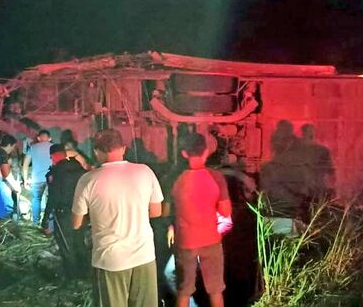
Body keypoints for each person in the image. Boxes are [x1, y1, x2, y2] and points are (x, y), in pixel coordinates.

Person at [72, 129, 163, 307]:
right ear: (123, 148)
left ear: (96, 151)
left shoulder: (88, 180)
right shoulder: (145, 171)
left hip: (110, 260)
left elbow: (76, 223)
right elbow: (156, 212)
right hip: (144, 256)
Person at [169, 133, 232, 307]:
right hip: (211, 240)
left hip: (185, 242)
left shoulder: (175, 178)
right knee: (215, 290)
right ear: (206, 152)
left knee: (183, 291)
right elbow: (225, 212)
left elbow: (166, 210)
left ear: (184, 153)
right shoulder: (216, 177)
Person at [41, 144, 88, 276]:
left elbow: (53, 197)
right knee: (79, 240)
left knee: (66, 244)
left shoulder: (56, 172)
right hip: (81, 212)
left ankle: (71, 274)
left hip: (64, 213)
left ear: (53, 157)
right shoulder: (79, 169)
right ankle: (84, 271)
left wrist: (45, 219)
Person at [22, 129, 52, 226]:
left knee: (36, 199)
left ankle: (36, 222)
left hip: (37, 179)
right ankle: (48, 222)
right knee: (50, 200)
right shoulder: (53, 147)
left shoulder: (32, 148)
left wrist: (26, 179)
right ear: (49, 138)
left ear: (38, 138)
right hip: (51, 178)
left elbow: (25, 164)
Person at [0, 134, 21, 218]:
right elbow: (6, 174)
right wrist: (15, 186)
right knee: (8, 205)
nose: (12, 149)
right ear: (9, 145)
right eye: (12, 147)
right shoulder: (2, 153)